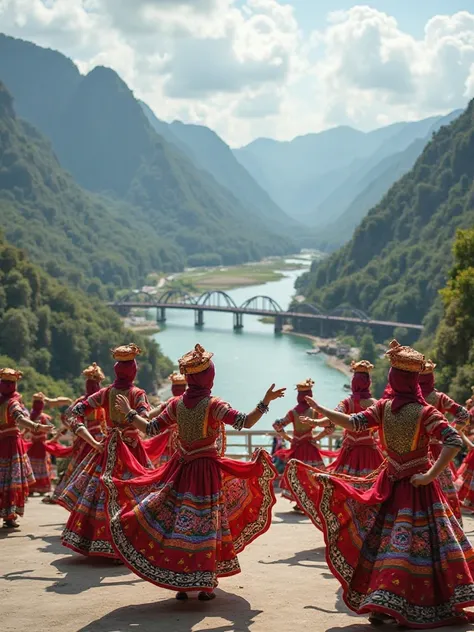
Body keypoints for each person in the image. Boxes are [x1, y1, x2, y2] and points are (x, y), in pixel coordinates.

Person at [285, 340, 474, 629]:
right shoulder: (411, 410)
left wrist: (430, 475)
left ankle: (390, 603)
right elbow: (453, 439)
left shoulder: (392, 408)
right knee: (408, 542)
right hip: (408, 484)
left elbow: (352, 423)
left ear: (394, 380)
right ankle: (388, 602)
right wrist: (429, 475)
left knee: (395, 541)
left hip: (407, 485)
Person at [102, 343, 285, 600]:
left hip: (181, 468)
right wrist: (265, 401)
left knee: (180, 522)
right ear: (209, 376)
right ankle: (204, 584)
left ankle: (182, 583)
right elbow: (244, 422)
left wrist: (131, 414)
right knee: (205, 523)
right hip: (206, 472)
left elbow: (151, 428)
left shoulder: (177, 404)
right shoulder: (214, 404)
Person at [58, 344, 151, 558]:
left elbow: (76, 411)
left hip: (108, 447)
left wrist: (80, 429)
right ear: (134, 370)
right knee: (135, 492)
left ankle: (100, 541)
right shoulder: (137, 394)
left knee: (101, 492)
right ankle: (127, 544)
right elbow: (144, 418)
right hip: (132, 448)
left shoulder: (106, 392)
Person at [309, 361, 383, 477]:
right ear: (368, 382)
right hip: (370, 452)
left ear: (353, 383)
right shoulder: (376, 404)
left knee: (346, 486)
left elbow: (332, 418)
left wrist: (314, 422)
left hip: (350, 452)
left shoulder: (347, 403)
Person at [0, 368, 54, 528]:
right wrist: (37, 427)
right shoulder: (12, 402)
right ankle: (9, 516)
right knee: (11, 480)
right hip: (11, 445)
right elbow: (20, 419)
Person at [49, 363, 106, 506]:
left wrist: (74, 430)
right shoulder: (102, 399)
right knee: (96, 471)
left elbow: (67, 416)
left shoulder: (82, 401)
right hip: (98, 438)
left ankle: (77, 501)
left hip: (83, 438)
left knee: (80, 470)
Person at [418, 359, 469, 522]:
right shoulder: (439, 398)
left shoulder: (412, 398)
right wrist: (451, 430)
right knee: (443, 488)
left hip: (416, 450)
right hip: (438, 450)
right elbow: (464, 414)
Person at [272, 379, 328, 510]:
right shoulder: (314, 412)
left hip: (296, 447)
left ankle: (300, 503)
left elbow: (277, 425)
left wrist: (288, 437)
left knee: (298, 475)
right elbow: (330, 425)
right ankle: (310, 502)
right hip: (309, 446)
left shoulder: (293, 413)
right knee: (312, 474)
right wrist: (318, 437)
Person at [144, 372, 187, 467]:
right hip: (186, 444)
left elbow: (151, 415)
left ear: (173, 389)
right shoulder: (190, 402)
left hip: (167, 443)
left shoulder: (171, 402)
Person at [25, 393, 55, 495]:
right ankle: (42, 488)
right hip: (41, 445)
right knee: (42, 465)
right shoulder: (44, 417)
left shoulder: (30, 417)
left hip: (33, 445)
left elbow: (26, 429)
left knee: (32, 465)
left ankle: (32, 488)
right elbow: (51, 428)